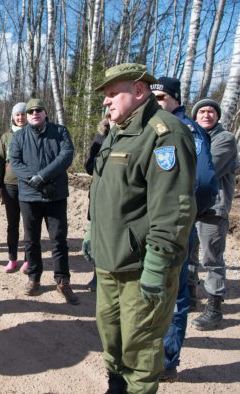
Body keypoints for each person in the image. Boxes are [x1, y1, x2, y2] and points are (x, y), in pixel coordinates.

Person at [85, 63, 196, 393]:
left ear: (138, 90)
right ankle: (115, 386)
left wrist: (157, 266)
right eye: (105, 96)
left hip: (141, 267)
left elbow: (173, 210)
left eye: (112, 94)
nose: (106, 102)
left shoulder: (165, 133)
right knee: (112, 338)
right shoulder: (117, 130)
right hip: (110, 261)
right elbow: (106, 189)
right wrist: (94, 230)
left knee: (141, 349)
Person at [150, 77, 218, 382]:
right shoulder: (149, 127)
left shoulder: (188, 129)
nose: (156, 102)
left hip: (176, 226)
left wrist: (188, 214)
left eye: (162, 97)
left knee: (173, 294)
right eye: (152, 97)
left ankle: (167, 360)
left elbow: (204, 183)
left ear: (176, 98)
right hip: (147, 225)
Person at [9, 98, 78, 304]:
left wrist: (43, 176)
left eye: (38, 110)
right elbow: (15, 164)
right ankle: (34, 278)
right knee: (31, 240)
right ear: (26, 116)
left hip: (55, 196)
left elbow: (66, 156)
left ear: (45, 113)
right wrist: (37, 181)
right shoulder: (19, 137)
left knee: (58, 240)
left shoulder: (60, 132)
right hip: (29, 198)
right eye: (30, 111)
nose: (34, 113)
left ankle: (63, 281)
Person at [190, 99, 238, 331]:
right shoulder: (192, 136)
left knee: (211, 259)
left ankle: (214, 308)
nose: (206, 114)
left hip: (213, 208)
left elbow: (207, 169)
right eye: (202, 111)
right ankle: (188, 297)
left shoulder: (225, 139)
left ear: (217, 116)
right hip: (189, 205)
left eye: (211, 111)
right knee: (186, 254)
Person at [0, 102, 29, 273]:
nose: (21, 118)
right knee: (12, 224)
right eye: (18, 115)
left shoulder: (34, 133)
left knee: (30, 224)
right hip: (10, 185)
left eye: (23, 114)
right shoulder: (6, 137)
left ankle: (29, 260)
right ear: (13, 117)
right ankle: (12, 258)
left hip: (30, 185)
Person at [83, 114, 113, 292]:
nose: (113, 118)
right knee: (97, 238)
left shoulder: (136, 135)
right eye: (109, 116)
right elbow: (88, 167)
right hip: (99, 193)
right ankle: (96, 276)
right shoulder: (100, 137)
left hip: (121, 197)